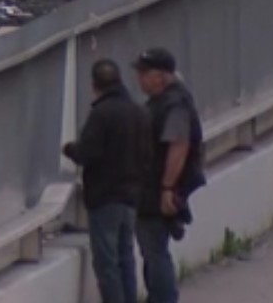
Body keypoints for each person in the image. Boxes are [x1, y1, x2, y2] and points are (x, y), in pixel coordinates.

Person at [63, 58, 154, 303]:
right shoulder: (139, 111)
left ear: (95, 85)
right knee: (126, 257)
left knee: (107, 262)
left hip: (105, 198)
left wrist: (69, 149)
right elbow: (148, 154)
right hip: (131, 196)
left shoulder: (101, 114)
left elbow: (87, 153)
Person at [133, 48, 206, 303]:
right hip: (153, 187)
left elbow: (178, 143)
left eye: (144, 73)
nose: (139, 79)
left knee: (154, 251)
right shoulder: (166, 101)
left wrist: (167, 188)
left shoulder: (174, 104)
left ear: (161, 77)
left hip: (158, 190)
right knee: (152, 251)